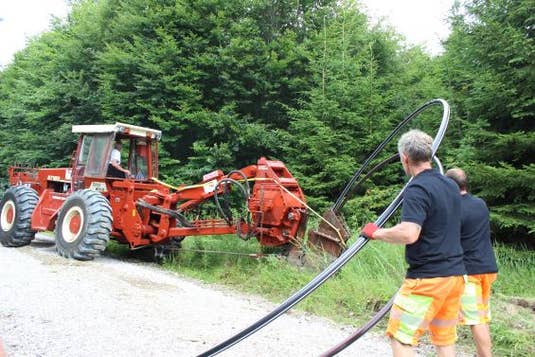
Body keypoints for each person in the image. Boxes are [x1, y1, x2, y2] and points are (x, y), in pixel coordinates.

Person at [361, 129, 466, 357]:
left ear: (404, 158)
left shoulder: (417, 188)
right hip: (455, 278)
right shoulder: (450, 186)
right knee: (444, 341)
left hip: (427, 282)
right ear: (429, 154)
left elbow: (409, 233)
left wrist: (376, 233)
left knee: (402, 338)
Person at [445, 168, 498, 357]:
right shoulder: (480, 203)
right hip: (488, 268)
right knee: (481, 315)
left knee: (476, 320)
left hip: (469, 272)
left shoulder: (452, 209)